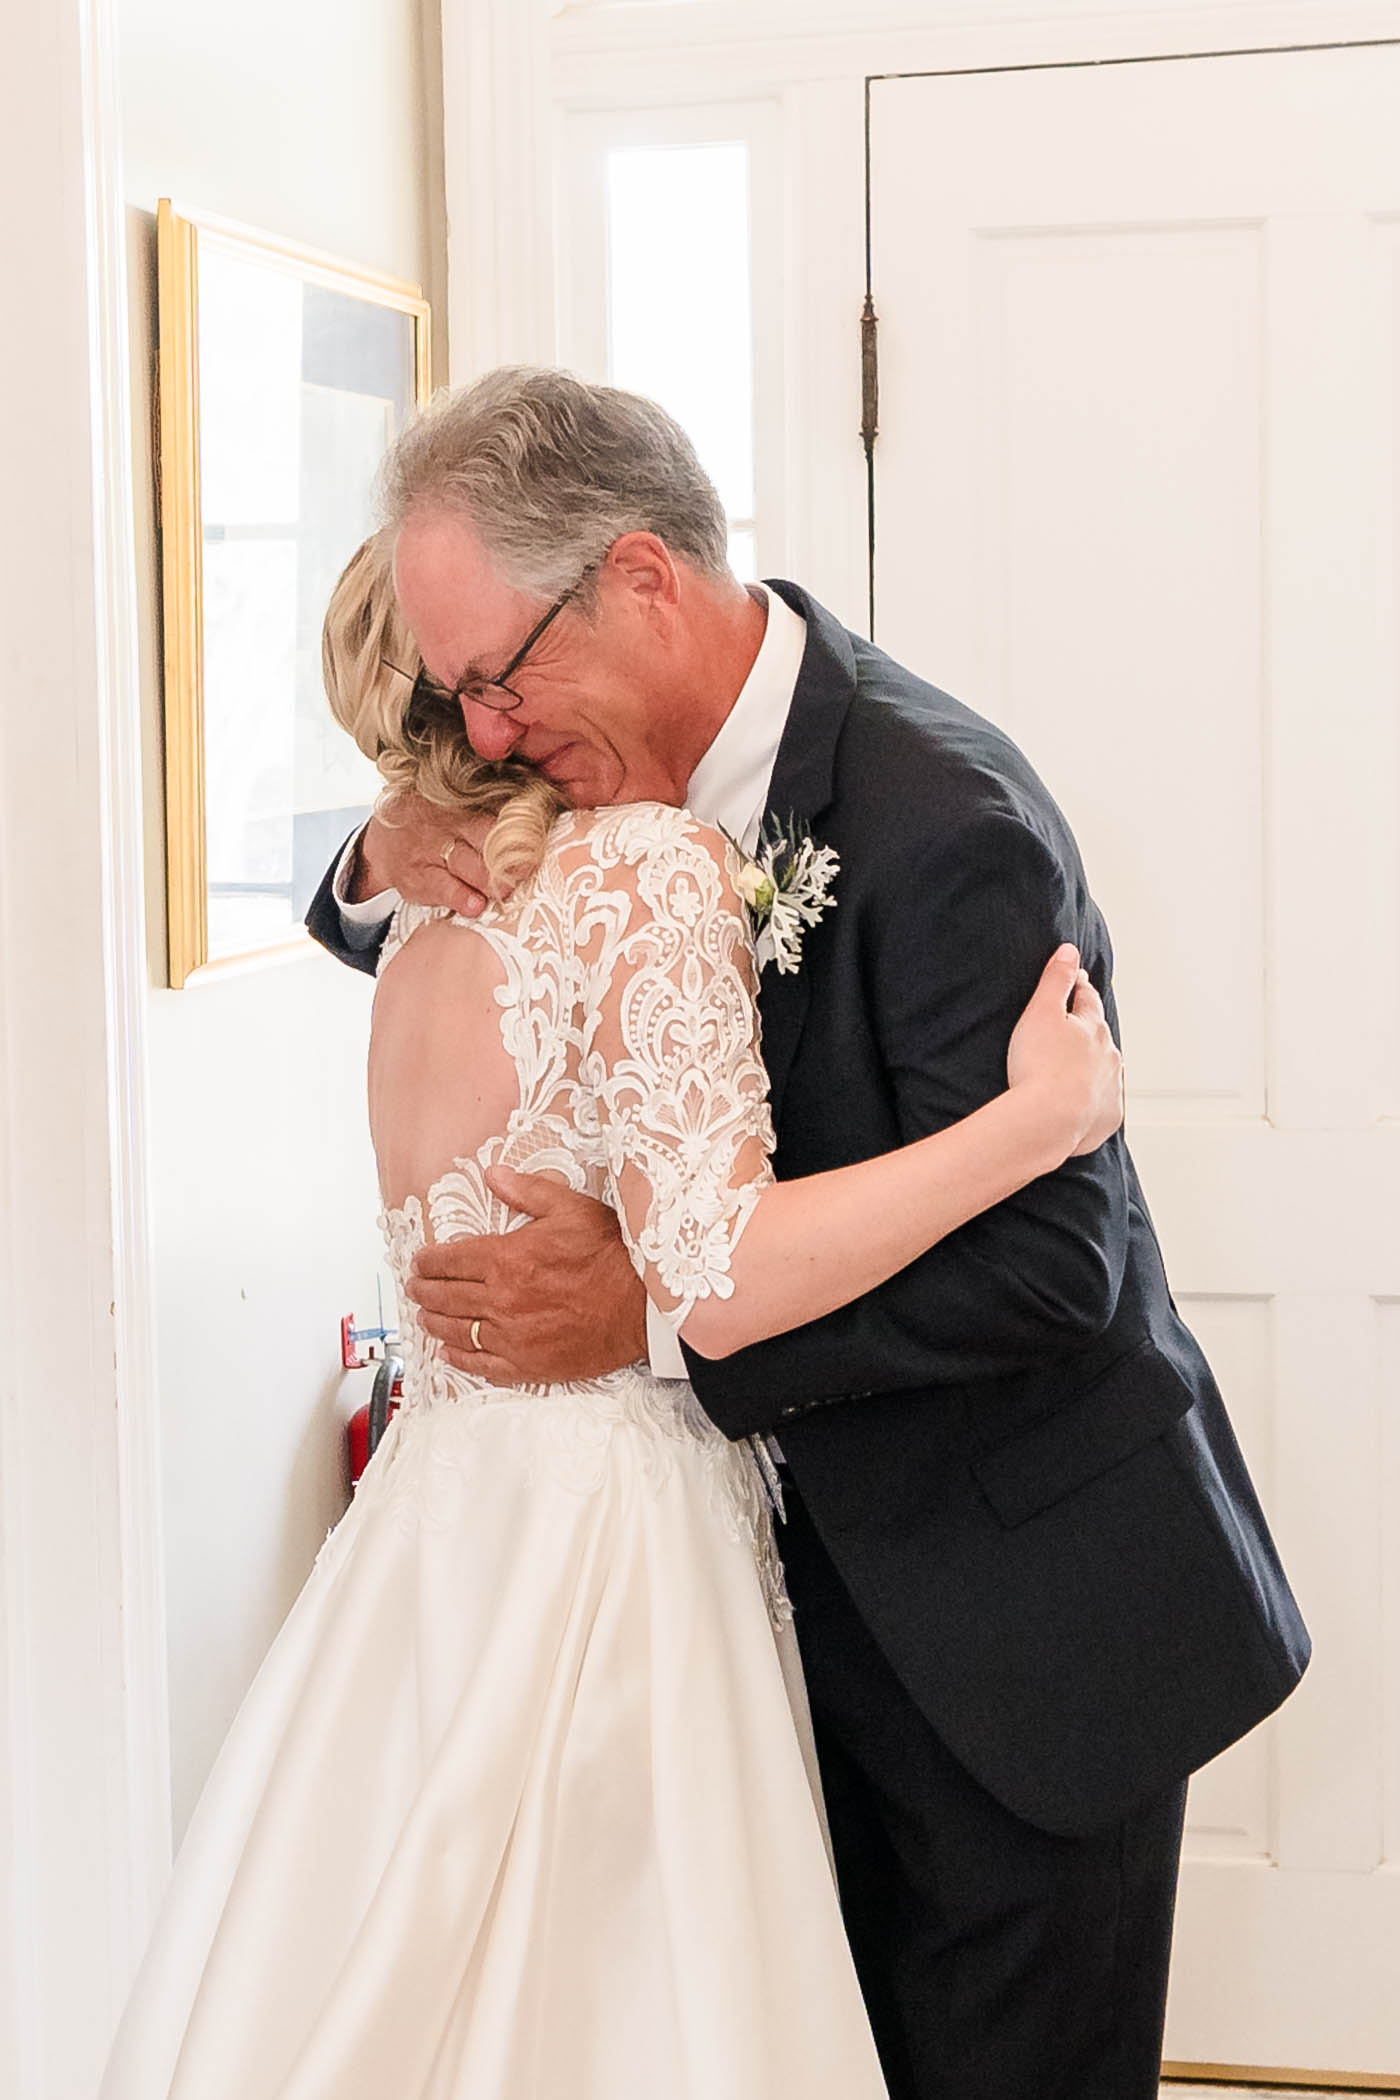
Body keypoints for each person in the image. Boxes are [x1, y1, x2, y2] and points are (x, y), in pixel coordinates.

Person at [307, 368, 1311, 2100]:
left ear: (636, 577)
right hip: (766, 1611)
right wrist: (374, 851)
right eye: (451, 702)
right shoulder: (596, 808)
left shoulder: (941, 825)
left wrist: (643, 1314)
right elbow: (458, 959)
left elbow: (1052, 1269)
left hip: (1014, 1624)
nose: (481, 737)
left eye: (498, 679)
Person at [97, 535, 1126, 2100]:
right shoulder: (638, 867)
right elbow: (716, 1263)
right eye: (486, 681)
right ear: (470, 703)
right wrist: (1034, 1123)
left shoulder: (420, 945)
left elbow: (1032, 1272)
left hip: (437, 1531)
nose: (512, 709)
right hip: (614, 1532)